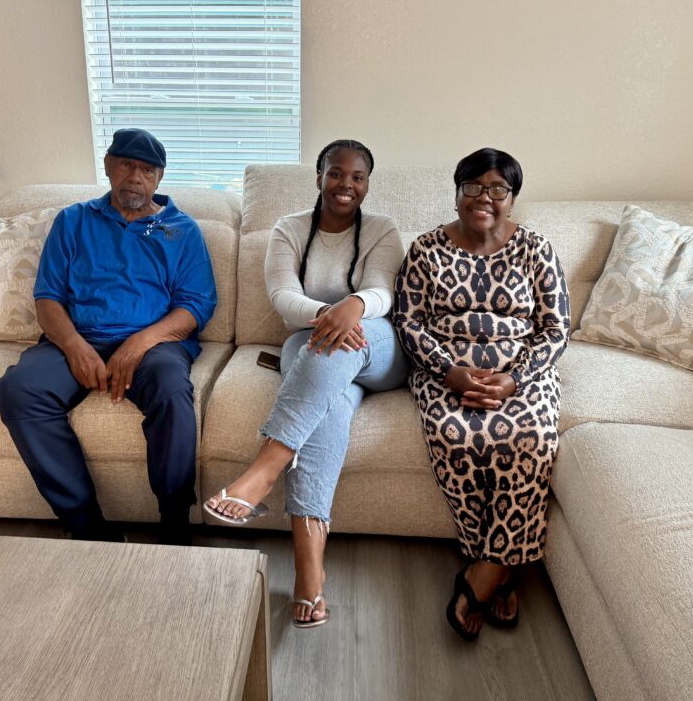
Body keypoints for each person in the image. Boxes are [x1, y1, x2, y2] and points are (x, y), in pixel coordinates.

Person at [203, 139, 408, 628]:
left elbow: (383, 290)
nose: (346, 185)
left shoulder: (382, 229)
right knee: (329, 405)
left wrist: (352, 308)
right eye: (336, 174)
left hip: (376, 343)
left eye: (357, 177)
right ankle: (308, 573)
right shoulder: (289, 229)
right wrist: (326, 314)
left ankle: (264, 469)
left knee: (336, 346)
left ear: (367, 184)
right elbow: (281, 295)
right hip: (311, 336)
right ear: (318, 177)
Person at [0, 128, 217, 545]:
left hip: (155, 344)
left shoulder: (181, 230)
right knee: (19, 390)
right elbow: (47, 298)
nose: (136, 176)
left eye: (147, 170)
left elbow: (195, 307)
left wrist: (139, 343)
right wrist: (75, 346)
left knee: (171, 389)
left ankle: (174, 523)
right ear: (108, 166)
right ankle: (86, 525)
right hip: (78, 336)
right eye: (127, 165)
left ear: (159, 178)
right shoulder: (73, 221)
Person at [392, 147, 570, 641]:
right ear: (456, 194)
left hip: (521, 371)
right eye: (472, 186)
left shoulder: (536, 248)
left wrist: (516, 378)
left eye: (497, 188)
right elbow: (407, 320)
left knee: (531, 438)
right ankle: (501, 567)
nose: (483, 197)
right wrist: (449, 371)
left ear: (511, 198)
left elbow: (556, 328)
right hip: (445, 369)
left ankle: (483, 571)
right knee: (454, 434)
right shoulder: (427, 250)